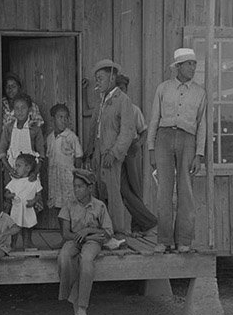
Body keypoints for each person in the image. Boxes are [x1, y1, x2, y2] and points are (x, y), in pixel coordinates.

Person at [147, 47, 207, 253]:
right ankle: (164, 240)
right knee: (164, 190)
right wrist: (151, 147)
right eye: (189, 64)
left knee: (185, 191)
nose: (193, 68)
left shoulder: (200, 92)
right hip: (164, 138)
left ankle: (183, 240)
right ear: (178, 67)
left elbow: (202, 125)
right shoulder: (163, 88)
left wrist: (199, 154)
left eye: (194, 64)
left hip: (188, 140)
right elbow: (154, 119)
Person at [83, 58, 136, 235]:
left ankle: (118, 232)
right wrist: (90, 152)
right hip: (98, 152)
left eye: (101, 78)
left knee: (113, 194)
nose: (97, 82)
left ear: (112, 78)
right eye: (96, 78)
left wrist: (113, 153)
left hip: (110, 154)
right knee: (97, 191)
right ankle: (101, 231)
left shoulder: (123, 100)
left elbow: (127, 132)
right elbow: (94, 129)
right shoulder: (101, 101)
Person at [57, 169, 114, 315]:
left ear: (90, 188)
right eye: (75, 186)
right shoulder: (69, 205)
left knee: (86, 260)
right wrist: (81, 236)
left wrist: (88, 231)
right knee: (64, 257)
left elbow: (108, 232)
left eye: (80, 187)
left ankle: (81, 304)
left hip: (93, 242)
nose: (76, 190)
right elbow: (65, 233)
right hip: (74, 240)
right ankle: (73, 295)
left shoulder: (99, 206)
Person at [115, 74, 158, 236]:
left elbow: (144, 130)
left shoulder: (133, 109)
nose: (120, 92)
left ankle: (137, 228)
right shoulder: (110, 109)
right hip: (117, 150)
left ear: (126, 90)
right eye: (117, 89)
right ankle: (150, 221)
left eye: (123, 89)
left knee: (135, 188)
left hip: (132, 150)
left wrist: (138, 145)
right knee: (123, 189)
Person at [0, 93, 46, 178]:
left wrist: (35, 172)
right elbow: (2, 150)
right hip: (11, 172)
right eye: (17, 108)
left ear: (30, 110)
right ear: (13, 110)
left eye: (23, 108)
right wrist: (10, 169)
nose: (20, 111)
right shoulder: (8, 128)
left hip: (31, 174)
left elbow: (41, 154)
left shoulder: (35, 129)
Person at [46, 102, 83, 210]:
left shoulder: (71, 137)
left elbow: (78, 156)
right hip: (54, 177)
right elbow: (49, 157)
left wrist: (76, 174)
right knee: (57, 204)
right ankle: (62, 227)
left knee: (69, 204)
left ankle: (71, 227)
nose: (64, 120)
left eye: (66, 117)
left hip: (68, 177)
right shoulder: (49, 138)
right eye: (60, 117)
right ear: (53, 119)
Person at [4, 151, 43, 251]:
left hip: (27, 208)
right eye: (15, 165)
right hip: (17, 209)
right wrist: (10, 195)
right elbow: (6, 193)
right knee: (14, 227)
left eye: (18, 166)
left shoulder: (33, 181)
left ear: (28, 168)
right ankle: (13, 244)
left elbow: (39, 194)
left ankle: (27, 243)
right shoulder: (14, 181)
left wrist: (33, 201)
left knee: (27, 227)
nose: (15, 168)